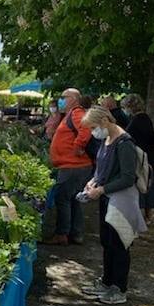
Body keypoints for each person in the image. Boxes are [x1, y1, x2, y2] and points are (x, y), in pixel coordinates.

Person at [80, 106, 147, 304]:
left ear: (104, 121)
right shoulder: (106, 139)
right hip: (108, 198)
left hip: (121, 202)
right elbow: (102, 167)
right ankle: (107, 282)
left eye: (93, 127)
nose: (93, 132)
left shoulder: (124, 142)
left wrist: (100, 189)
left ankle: (119, 289)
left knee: (119, 245)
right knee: (107, 242)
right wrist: (93, 181)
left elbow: (127, 178)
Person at [45, 88, 94, 245]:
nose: (60, 100)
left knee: (62, 198)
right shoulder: (70, 114)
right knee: (73, 200)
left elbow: (85, 130)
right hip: (74, 166)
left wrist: (78, 146)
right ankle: (75, 234)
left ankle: (62, 234)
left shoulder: (76, 113)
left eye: (63, 97)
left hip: (73, 166)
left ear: (73, 99)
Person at [121, 93, 154, 223]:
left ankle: (143, 216)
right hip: (149, 156)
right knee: (148, 185)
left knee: (142, 185)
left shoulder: (137, 120)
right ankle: (148, 215)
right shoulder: (144, 118)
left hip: (142, 158)